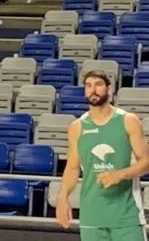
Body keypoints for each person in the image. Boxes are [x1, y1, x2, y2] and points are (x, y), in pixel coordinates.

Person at [56, 69, 149, 241]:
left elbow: (146, 162)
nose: (93, 90)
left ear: (109, 89)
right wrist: (63, 196)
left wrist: (120, 174)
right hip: (92, 216)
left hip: (126, 215)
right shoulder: (77, 127)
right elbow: (72, 167)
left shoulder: (128, 120)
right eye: (88, 86)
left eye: (98, 85)